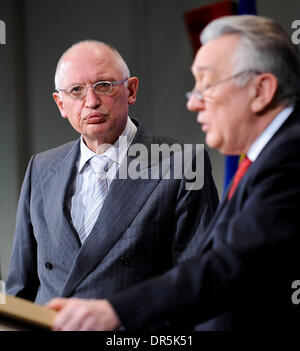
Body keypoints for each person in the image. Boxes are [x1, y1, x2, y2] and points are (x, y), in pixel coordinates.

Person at [48, 15, 300, 331]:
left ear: (261, 90)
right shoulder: (267, 158)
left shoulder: (288, 158)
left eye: (207, 85)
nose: (194, 102)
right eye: (75, 90)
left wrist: (116, 311)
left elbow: (227, 267)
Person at [6, 41, 218, 305]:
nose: (91, 102)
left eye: (104, 86)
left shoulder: (183, 163)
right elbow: (20, 288)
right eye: (76, 91)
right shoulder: (41, 168)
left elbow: (200, 284)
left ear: (130, 90)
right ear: (61, 104)